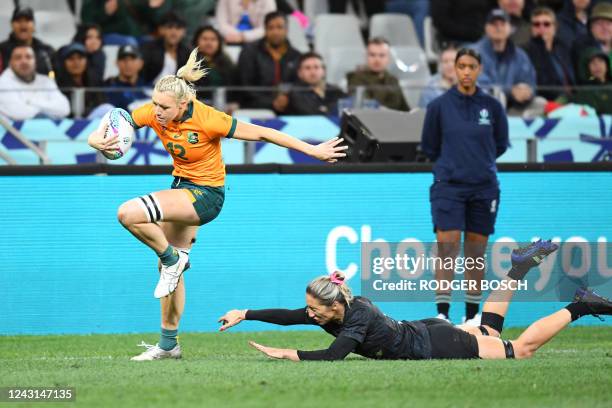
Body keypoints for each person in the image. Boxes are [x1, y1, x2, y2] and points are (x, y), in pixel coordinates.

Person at [87, 48, 347, 361]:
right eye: (154, 103)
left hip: (207, 195)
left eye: (163, 106)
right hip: (182, 188)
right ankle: (169, 344)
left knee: (128, 214)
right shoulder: (157, 112)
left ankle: (171, 259)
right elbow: (119, 117)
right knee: (171, 272)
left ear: (184, 104)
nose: (155, 111)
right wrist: (94, 139)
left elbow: (264, 133)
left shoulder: (209, 118)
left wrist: (312, 150)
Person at [218, 241, 612, 361]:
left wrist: (284, 354)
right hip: (427, 331)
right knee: (490, 330)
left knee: (519, 350)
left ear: (333, 305)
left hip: (437, 341)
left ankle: (581, 304)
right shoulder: (334, 310)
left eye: (314, 309)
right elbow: (291, 316)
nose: (309, 314)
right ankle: (519, 270)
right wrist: (246, 313)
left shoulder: (356, 318)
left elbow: (334, 355)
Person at [420, 48, 509, 325]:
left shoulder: (493, 107)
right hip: (449, 187)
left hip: (484, 187)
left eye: (472, 66)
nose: (466, 71)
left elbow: (500, 144)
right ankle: (443, 313)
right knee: (446, 248)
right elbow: (430, 146)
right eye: (461, 66)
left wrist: (477, 164)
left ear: (480, 69)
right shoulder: (438, 107)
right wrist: (455, 166)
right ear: (454, 70)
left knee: (475, 252)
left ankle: (472, 316)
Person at [472, 9, 539, 115]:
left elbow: (530, 82)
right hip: (482, 109)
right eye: (494, 24)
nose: (498, 28)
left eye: (502, 24)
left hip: (515, 108)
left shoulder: (520, 55)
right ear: (486, 28)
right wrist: (510, 92)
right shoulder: (473, 53)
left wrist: (526, 92)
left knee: (540, 103)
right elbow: (478, 86)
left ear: (510, 28)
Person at [237, 11, 301, 113]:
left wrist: (287, 99)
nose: (275, 32)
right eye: (271, 28)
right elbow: (245, 85)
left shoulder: (296, 55)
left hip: (289, 108)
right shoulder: (249, 51)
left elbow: (299, 85)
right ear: (265, 30)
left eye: (280, 27)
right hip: (255, 108)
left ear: (286, 30)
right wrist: (271, 102)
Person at [0, 45, 70, 120]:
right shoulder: (2, 82)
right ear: (10, 63)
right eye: (18, 58)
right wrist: (47, 109)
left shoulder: (46, 81)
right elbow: (19, 114)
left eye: (28, 57)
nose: (24, 61)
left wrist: (30, 102)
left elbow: (64, 109)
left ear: (35, 62)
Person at [346, 37, 410, 111]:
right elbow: (365, 108)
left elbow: (405, 109)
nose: (377, 59)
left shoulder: (393, 80)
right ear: (366, 57)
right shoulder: (356, 79)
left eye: (382, 55)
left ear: (388, 58)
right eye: (372, 55)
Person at [525, 7, 575, 100]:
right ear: (531, 28)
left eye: (546, 24)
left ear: (555, 27)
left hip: (572, 99)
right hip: (545, 101)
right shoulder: (526, 51)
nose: (541, 28)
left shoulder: (563, 48)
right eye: (536, 24)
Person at [55, 43, 108, 118]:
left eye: (80, 58)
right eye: (71, 58)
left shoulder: (95, 83)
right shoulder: (57, 85)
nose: (76, 62)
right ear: (64, 63)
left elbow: (101, 105)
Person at [0, 7, 55, 77]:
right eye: (18, 21)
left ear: (34, 25)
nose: (23, 24)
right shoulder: (2, 50)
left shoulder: (47, 51)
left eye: (27, 20)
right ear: (12, 25)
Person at [141, 11, 191, 85]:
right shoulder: (147, 49)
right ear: (161, 30)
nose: (174, 32)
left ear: (184, 32)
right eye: (169, 27)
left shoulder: (188, 53)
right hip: (149, 92)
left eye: (178, 28)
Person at [191, 26, 236, 102]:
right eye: (205, 39)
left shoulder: (227, 62)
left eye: (213, 39)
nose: (209, 43)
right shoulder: (189, 62)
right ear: (196, 41)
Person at [572, 2, 612, 84]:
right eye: (599, 24)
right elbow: (585, 78)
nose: (604, 28)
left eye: (608, 24)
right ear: (591, 28)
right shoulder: (581, 48)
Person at [431, 0, 497, 47]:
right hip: (456, 41)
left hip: (486, 38)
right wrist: (472, 33)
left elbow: (495, 11)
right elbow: (441, 21)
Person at [568, 47, 612, 114]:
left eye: (600, 61)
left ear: (606, 64)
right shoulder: (584, 92)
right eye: (592, 62)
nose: (597, 65)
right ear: (586, 68)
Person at [104, 45, 149, 111]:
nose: (128, 64)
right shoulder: (108, 88)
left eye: (132, 59)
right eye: (124, 60)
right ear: (117, 63)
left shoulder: (149, 87)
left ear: (141, 63)